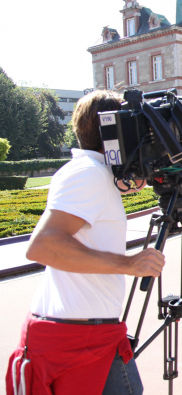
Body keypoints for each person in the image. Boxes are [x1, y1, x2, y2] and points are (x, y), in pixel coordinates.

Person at [5, 91, 165, 395]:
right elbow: (43, 246)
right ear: (117, 129)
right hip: (80, 340)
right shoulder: (89, 174)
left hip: (83, 332)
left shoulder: (93, 172)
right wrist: (127, 264)